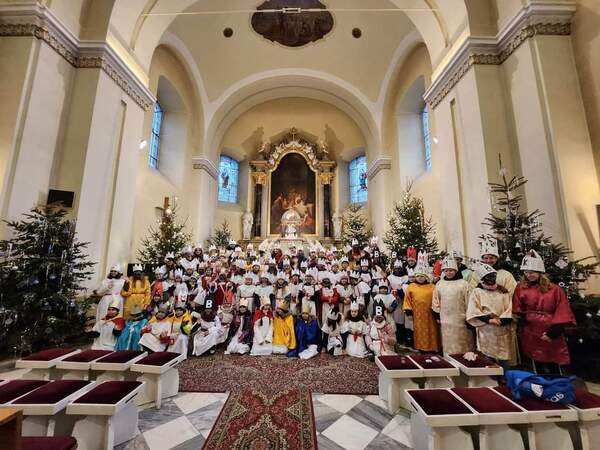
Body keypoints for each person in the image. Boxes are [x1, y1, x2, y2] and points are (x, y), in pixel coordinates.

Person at [512, 250, 576, 374]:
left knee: (553, 361)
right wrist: (521, 321)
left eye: (532, 272)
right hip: (531, 330)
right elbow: (517, 306)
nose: (529, 275)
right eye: (526, 272)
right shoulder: (521, 287)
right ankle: (540, 387)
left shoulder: (554, 289)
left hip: (550, 328)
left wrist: (554, 332)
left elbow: (562, 310)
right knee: (536, 359)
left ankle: (556, 388)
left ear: (540, 272)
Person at [467, 262, 515, 370]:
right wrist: (489, 320)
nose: (490, 278)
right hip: (487, 329)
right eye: (487, 277)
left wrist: (502, 320)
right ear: (482, 279)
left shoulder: (503, 292)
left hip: (502, 327)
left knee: (504, 356)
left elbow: (509, 308)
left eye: (493, 276)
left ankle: (505, 377)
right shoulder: (477, 292)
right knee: (488, 357)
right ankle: (493, 378)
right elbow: (473, 310)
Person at [432, 256, 475, 355]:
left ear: (456, 270)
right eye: (446, 271)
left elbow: (469, 301)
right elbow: (435, 300)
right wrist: (437, 315)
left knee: (463, 343)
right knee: (448, 343)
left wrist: (469, 317)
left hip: (461, 319)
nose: (449, 273)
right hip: (445, 320)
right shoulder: (440, 284)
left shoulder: (464, 284)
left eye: (451, 270)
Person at [403, 252, 441, 352]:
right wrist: (408, 312)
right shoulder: (411, 287)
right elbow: (407, 300)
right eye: (418, 276)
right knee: (420, 332)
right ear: (415, 276)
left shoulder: (432, 287)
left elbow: (436, 300)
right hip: (417, 314)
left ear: (426, 277)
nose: (420, 278)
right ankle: (421, 348)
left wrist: (437, 313)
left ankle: (433, 348)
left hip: (430, 314)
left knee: (432, 331)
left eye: (422, 276)